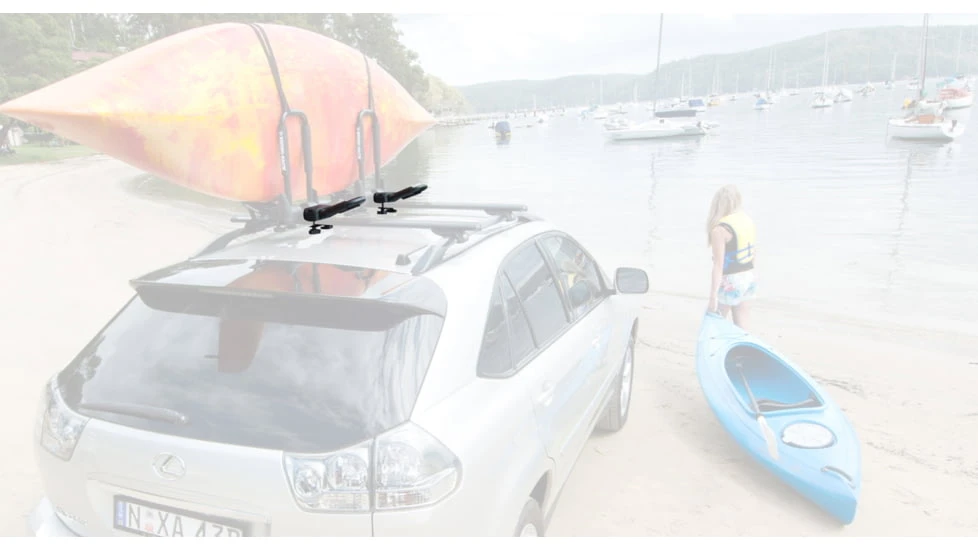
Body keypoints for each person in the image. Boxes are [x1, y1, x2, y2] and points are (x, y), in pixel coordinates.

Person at [706, 184, 757, 330]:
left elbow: (718, 265)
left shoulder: (720, 230)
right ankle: (743, 345)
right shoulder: (747, 222)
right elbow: (754, 254)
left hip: (731, 281)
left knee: (715, 323)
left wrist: (712, 297)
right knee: (742, 326)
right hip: (748, 277)